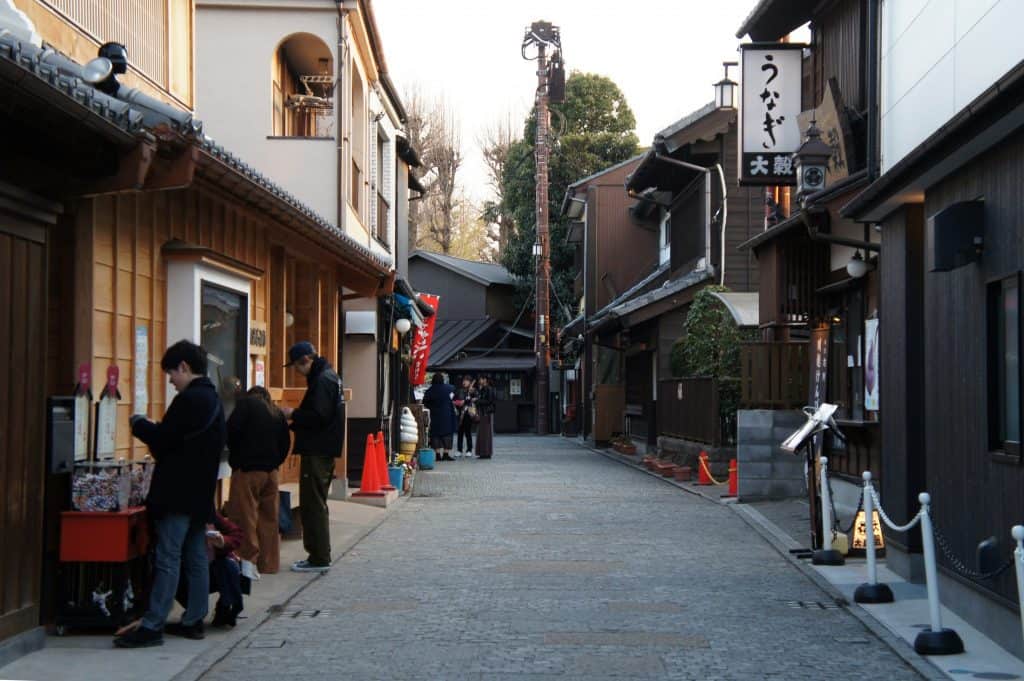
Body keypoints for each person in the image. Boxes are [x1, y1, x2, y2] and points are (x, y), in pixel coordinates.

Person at [115, 340, 226, 648]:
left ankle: (152, 625)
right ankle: (194, 620)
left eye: (171, 374)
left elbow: (164, 441)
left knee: (168, 558)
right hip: (200, 494)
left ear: (184, 368)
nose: (171, 381)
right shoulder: (214, 401)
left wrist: (140, 425)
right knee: (195, 558)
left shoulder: (190, 400)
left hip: (177, 493)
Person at [281, 341, 344, 573]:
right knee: (316, 502)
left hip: (317, 449)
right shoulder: (330, 377)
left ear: (305, 360)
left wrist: (293, 414)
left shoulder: (322, 380)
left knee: (313, 504)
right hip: (324, 448)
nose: (296, 371)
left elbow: (318, 416)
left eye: (297, 366)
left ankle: (318, 557)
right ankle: (319, 554)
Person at [226, 386, 291, 578]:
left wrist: (237, 460)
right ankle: (269, 564)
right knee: (269, 519)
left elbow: (230, 433)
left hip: (248, 471)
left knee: (245, 516)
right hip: (271, 473)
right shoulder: (276, 412)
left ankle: (247, 561)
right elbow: (285, 443)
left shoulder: (245, 405)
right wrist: (274, 463)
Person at [176, 512, 245, 629]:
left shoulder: (208, 513)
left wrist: (223, 541)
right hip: (183, 573)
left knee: (229, 566)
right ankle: (194, 613)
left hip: (210, 566)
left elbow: (237, 533)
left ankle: (226, 606)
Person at [423, 373, 458, 461]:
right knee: (447, 434)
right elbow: (455, 397)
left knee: (435, 434)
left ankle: (437, 454)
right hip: (447, 415)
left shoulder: (430, 390)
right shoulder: (449, 388)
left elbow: (425, 402)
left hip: (435, 415)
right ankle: (446, 453)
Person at [453, 376, 478, 458]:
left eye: (467, 381)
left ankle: (469, 450)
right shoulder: (459, 390)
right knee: (460, 432)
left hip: (468, 413)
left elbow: (475, 399)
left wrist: (468, 399)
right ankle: (459, 450)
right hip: (460, 413)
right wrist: (457, 403)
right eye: (464, 380)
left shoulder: (472, 390)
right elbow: (453, 399)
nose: (464, 382)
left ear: (470, 382)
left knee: (468, 432)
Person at [475, 375, 496, 459]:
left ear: (485, 380)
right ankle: (483, 452)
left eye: (481, 379)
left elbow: (489, 401)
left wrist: (477, 401)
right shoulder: (483, 389)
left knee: (485, 434)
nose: (480, 381)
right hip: (483, 412)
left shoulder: (488, 389)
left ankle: (486, 453)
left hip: (486, 413)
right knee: (482, 433)